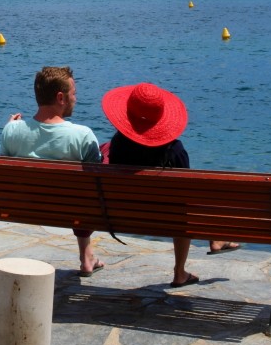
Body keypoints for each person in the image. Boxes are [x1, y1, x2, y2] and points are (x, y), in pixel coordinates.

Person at [101, 82, 240, 288]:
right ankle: (181, 270)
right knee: (183, 208)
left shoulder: (118, 144)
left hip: (123, 214)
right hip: (169, 219)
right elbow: (187, 193)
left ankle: (215, 239)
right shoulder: (174, 150)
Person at [1, 66, 105, 276]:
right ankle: (86, 257)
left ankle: (88, 256)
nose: (76, 98)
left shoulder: (11, 130)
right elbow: (97, 185)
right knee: (101, 157)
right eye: (73, 93)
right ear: (61, 97)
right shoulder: (82, 135)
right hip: (71, 209)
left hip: (24, 207)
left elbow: (4, 169)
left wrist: (10, 129)